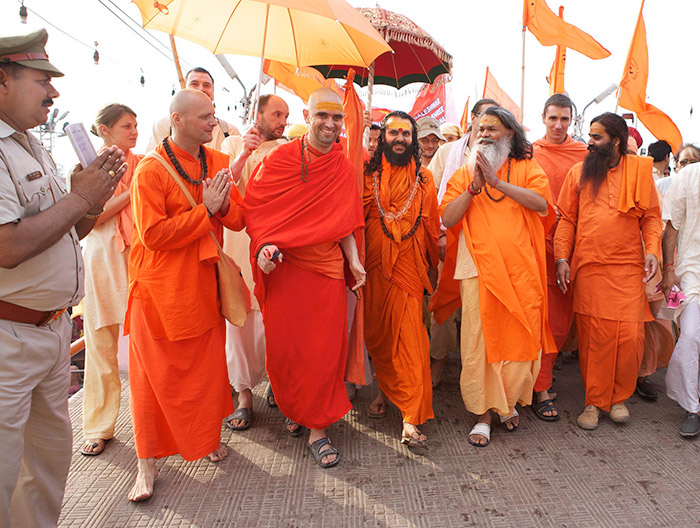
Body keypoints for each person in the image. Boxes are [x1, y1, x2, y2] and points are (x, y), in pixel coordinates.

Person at [0, 28, 126, 526]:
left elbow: (67, 231)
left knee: (46, 465)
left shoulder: (31, 146)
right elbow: (7, 247)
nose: (53, 92)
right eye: (41, 80)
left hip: (50, 332)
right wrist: (80, 197)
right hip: (10, 337)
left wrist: (93, 196)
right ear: (2, 80)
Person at [126, 89, 244, 501]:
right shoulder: (150, 171)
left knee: (206, 375)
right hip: (159, 295)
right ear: (177, 120)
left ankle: (206, 439)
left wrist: (223, 204)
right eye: (204, 118)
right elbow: (152, 236)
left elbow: (241, 217)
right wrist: (204, 212)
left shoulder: (220, 163)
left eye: (213, 116)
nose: (214, 123)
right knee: (150, 383)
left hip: (203, 287)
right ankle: (146, 466)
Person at [242, 88, 365, 469]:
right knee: (287, 351)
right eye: (322, 116)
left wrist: (355, 262)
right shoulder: (279, 158)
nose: (330, 124)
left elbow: (343, 221)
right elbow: (256, 211)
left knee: (324, 353)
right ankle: (296, 408)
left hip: (325, 271)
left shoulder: (342, 167)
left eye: (337, 118)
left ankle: (318, 428)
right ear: (307, 115)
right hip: (285, 270)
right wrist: (263, 247)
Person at [441, 107, 556, 448]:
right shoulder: (464, 173)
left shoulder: (525, 166)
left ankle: (505, 403)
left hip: (521, 271)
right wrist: (475, 188)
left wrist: (497, 183)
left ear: (510, 134)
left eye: (493, 129)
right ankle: (483, 415)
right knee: (479, 343)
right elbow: (448, 217)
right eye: (480, 129)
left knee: (519, 341)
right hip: (478, 270)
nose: (485, 134)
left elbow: (541, 204)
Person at [554, 112, 662, 430]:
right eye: (589, 136)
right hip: (589, 267)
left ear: (615, 141)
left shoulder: (641, 171)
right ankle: (594, 401)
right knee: (595, 339)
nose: (590, 142)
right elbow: (567, 220)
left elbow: (652, 217)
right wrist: (562, 258)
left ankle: (618, 398)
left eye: (596, 137)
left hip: (629, 268)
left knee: (630, 337)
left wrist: (653, 251)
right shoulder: (578, 172)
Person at [363, 111, 440, 446]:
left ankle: (411, 416)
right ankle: (384, 392)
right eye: (393, 133)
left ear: (413, 140)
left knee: (411, 341)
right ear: (383, 138)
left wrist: (433, 264)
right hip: (373, 269)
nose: (399, 139)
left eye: (406, 134)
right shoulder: (366, 175)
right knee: (380, 337)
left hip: (408, 270)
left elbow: (432, 226)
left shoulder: (424, 179)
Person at [219, 94, 289, 430]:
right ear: (256, 114)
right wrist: (244, 153)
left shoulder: (286, 149)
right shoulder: (232, 144)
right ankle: (244, 397)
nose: (282, 121)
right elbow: (220, 188)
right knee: (239, 327)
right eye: (276, 114)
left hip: (272, 251)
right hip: (236, 247)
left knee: (274, 326)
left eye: (286, 116)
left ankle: (279, 386)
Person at [80, 103, 143, 456]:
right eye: (125, 126)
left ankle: (152, 418)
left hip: (138, 256)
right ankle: (99, 426)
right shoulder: (91, 167)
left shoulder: (144, 162)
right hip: (103, 258)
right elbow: (96, 215)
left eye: (135, 125)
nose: (133, 132)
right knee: (101, 343)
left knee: (147, 342)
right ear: (104, 130)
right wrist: (131, 191)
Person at [427, 99, 500, 388]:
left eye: (494, 125)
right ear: (472, 119)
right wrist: (441, 233)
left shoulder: (502, 154)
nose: (487, 130)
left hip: (488, 249)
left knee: (479, 314)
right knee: (443, 306)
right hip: (450, 242)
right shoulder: (448, 151)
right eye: (483, 121)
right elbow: (431, 196)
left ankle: (478, 374)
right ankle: (439, 361)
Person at [530, 94, 588, 421]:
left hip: (568, 249)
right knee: (539, 322)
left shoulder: (583, 154)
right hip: (534, 247)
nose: (558, 125)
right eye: (553, 118)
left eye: (565, 119)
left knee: (559, 324)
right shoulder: (530, 153)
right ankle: (538, 388)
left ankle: (542, 381)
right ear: (543, 117)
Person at [661, 162, 700, 437]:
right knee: (690, 337)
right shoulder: (690, 175)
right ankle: (691, 407)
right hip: (692, 271)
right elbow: (671, 226)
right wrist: (668, 270)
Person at [146, 67, 240, 151]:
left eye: (207, 85)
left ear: (213, 92)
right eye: (194, 84)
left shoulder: (229, 131)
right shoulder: (165, 125)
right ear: (184, 89)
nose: (201, 89)